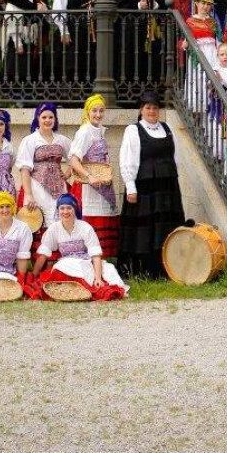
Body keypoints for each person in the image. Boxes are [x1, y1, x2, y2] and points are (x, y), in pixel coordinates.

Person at [118, 91, 185, 277]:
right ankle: (142, 270)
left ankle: (167, 269)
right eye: (148, 107)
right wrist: (130, 186)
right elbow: (127, 160)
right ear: (141, 110)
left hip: (167, 188)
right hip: (144, 188)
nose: (152, 111)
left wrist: (172, 179)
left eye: (155, 107)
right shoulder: (133, 130)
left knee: (165, 227)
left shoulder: (168, 128)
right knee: (144, 231)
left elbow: (175, 157)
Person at [30, 194, 127, 301]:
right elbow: (43, 255)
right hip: (66, 264)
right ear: (58, 210)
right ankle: (70, 290)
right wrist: (34, 274)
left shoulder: (85, 227)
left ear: (75, 209)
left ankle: (84, 289)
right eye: (62, 208)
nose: (65, 212)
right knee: (60, 267)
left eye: (69, 208)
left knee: (109, 269)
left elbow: (95, 255)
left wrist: (98, 278)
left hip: (85, 262)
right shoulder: (54, 228)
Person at [68, 94, 119, 258]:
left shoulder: (100, 131)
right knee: (89, 224)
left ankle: (99, 262)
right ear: (87, 112)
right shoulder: (84, 132)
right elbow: (74, 160)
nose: (98, 114)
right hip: (87, 187)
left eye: (101, 111)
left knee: (103, 219)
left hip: (102, 183)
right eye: (94, 111)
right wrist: (89, 176)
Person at [16, 102, 71, 246]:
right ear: (38, 118)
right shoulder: (30, 140)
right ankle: (42, 260)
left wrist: (69, 172)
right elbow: (25, 169)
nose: (47, 120)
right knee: (39, 218)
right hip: (37, 186)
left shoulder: (62, 140)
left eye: (51, 117)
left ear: (55, 119)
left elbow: (76, 157)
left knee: (60, 217)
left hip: (59, 187)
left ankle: (59, 258)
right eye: (44, 117)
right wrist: (28, 194)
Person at [113, 0, 162, 85]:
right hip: (128, 33)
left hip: (149, 32)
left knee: (149, 62)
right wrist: (138, 6)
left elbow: (163, 2)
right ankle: (127, 93)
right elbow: (117, 8)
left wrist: (155, 5)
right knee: (129, 62)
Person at [52, 0, 96, 84]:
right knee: (70, 65)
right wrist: (64, 30)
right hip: (71, 31)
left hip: (87, 32)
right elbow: (58, 9)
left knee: (86, 64)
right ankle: (69, 97)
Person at [2, 0, 48, 87]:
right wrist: (18, 43)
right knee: (18, 71)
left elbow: (46, 19)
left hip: (33, 41)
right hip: (19, 41)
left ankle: (29, 100)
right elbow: (11, 21)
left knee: (32, 73)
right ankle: (18, 101)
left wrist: (45, 11)